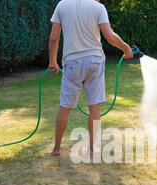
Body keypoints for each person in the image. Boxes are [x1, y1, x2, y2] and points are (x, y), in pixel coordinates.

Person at [48, 0, 134, 156]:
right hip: (94, 60)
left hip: (71, 62)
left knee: (65, 107)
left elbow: (54, 38)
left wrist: (53, 61)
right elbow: (110, 37)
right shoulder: (98, 8)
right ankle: (92, 150)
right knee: (94, 107)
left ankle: (56, 149)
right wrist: (126, 49)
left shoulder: (62, 5)